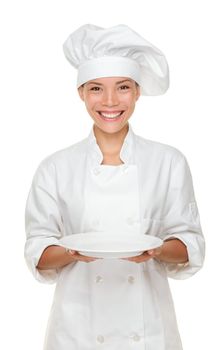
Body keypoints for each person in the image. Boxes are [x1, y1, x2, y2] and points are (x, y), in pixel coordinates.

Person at [24, 24, 205, 350]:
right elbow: (37, 252)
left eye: (122, 87)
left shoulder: (168, 162)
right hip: (77, 332)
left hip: (148, 332)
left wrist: (158, 249)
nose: (109, 101)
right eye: (95, 89)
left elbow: (190, 244)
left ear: (137, 92)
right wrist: (70, 252)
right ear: (80, 93)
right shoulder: (55, 167)